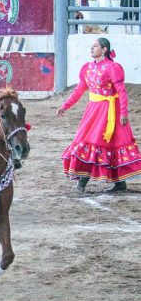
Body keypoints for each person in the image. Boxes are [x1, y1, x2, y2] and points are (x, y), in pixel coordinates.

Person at [56, 38, 141, 194]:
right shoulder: (87, 68)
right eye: (91, 46)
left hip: (110, 111)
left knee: (101, 142)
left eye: (95, 46)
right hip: (93, 111)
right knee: (90, 141)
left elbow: (121, 92)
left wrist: (124, 112)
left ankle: (82, 183)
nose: (92, 48)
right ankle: (119, 184)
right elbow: (79, 90)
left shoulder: (113, 67)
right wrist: (65, 106)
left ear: (104, 50)